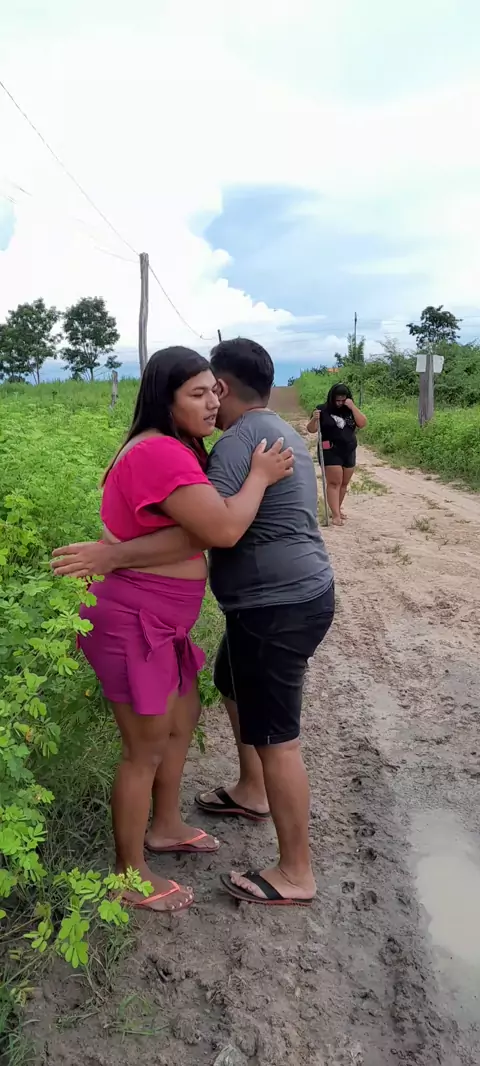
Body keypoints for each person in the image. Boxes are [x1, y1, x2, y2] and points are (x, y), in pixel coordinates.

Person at [53, 338, 334, 907]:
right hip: (136, 619)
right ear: (167, 399)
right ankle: (128, 876)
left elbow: (197, 531)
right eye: (199, 393)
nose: (212, 403)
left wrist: (115, 553)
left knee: (181, 724)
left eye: (214, 392)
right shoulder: (162, 452)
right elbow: (218, 530)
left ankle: (165, 826)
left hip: (167, 620)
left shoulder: (184, 448)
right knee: (146, 749)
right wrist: (256, 478)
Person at [307, 383, 367, 526]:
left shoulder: (350, 410)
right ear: (332, 398)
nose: (340, 403)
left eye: (342, 400)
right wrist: (314, 419)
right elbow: (311, 429)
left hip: (349, 450)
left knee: (344, 483)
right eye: (337, 400)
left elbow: (362, 423)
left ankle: (337, 509)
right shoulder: (322, 409)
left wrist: (352, 406)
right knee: (334, 482)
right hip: (330, 450)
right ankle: (335, 515)